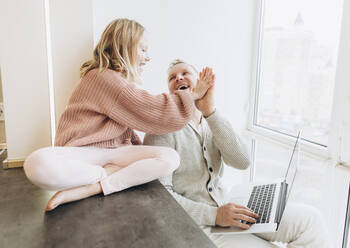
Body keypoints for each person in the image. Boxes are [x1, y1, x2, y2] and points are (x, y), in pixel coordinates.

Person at [23, 19, 215, 211]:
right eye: (143, 50)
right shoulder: (101, 77)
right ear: (125, 46)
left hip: (115, 153)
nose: (147, 58)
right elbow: (151, 107)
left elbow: (145, 113)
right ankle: (107, 175)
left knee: (170, 157)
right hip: (84, 153)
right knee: (35, 163)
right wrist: (193, 94)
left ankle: (96, 186)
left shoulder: (119, 82)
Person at [143, 59, 330, 248]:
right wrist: (215, 215)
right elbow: (161, 197)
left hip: (230, 204)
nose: (179, 78)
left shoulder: (212, 120)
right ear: (169, 92)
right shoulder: (160, 129)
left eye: (185, 73)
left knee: (311, 222)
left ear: (199, 82)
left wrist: (210, 112)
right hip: (201, 222)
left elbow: (242, 161)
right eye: (172, 77)